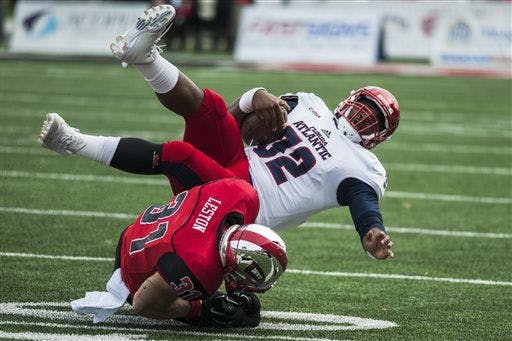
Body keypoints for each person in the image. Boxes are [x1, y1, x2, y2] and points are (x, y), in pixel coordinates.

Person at [38, 4, 396, 260]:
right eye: (365, 106)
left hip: (244, 203)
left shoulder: (363, 167)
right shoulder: (310, 104)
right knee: (209, 108)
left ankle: (71, 142)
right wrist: (256, 96)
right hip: (233, 163)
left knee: (179, 154)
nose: (364, 117)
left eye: (375, 119)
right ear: (350, 98)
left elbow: (363, 203)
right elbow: (232, 118)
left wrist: (371, 231)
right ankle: (144, 56)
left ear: (378, 138)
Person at [70, 177, 288, 327]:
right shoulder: (200, 268)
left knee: (241, 309)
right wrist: (198, 310)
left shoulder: (242, 193)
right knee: (232, 315)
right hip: (135, 270)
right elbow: (142, 303)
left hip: (145, 230)